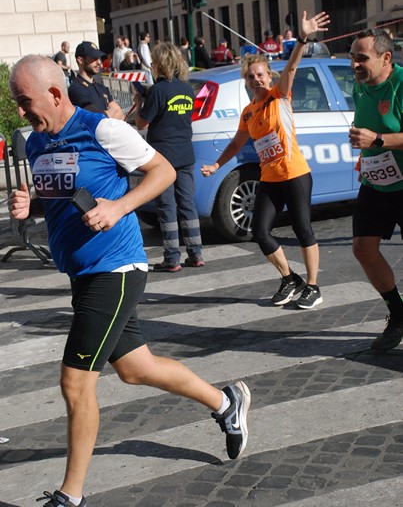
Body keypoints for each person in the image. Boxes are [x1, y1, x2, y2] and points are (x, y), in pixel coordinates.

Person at [8, 54, 251, 507]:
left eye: (24, 102)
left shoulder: (103, 130)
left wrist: (119, 207)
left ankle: (70, 496)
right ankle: (225, 402)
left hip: (115, 270)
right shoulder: (40, 142)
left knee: (76, 382)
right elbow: (59, 192)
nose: (20, 112)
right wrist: (31, 204)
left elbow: (161, 171)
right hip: (83, 273)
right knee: (137, 369)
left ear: (54, 94)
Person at [202, 10, 330, 309]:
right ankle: (289, 278)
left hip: (295, 174)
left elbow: (293, 68)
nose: (256, 79)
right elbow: (237, 143)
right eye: (251, 76)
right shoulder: (248, 112)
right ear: (246, 82)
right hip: (270, 178)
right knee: (260, 232)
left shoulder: (279, 96)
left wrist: (302, 38)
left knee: (303, 230)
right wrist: (217, 166)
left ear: (268, 76)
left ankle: (313, 286)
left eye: (260, 74)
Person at [348, 28, 403, 351]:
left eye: (362, 58)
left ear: (386, 58)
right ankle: (398, 313)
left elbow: (379, 134)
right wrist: (366, 152)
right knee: (362, 247)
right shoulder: (361, 86)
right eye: (353, 56)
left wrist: (377, 140)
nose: (355, 63)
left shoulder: (401, 84)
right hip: (375, 182)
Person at [134, 42, 204, 272]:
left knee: (166, 206)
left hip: (163, 157)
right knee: (187, 204)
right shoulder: (186, 88)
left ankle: (172, 257)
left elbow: (143, 122)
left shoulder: (157, 91)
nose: (152, 65)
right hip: (185, 153)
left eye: (154, 62)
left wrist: (139, 103)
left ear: (160, 64)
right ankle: (196, 253)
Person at [68, 41, 125, 120]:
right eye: (94, 58)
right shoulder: (76, 89)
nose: (99, 62)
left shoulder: (102, 88)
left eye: (99, 58)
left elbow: (121, 115)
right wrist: (112, 110)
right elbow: (99, 119)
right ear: (80, 60)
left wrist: (108, 113)